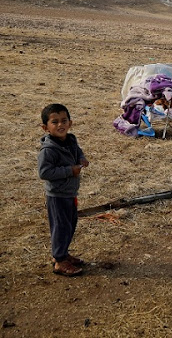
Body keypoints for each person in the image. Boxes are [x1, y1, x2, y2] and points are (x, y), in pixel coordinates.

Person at [38, 103, 89, 277]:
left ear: (70, 122)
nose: (60, 125)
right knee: (60, 227)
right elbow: (44, 172)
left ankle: (63, 253)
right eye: (55, 122)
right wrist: (69, 171)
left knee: (70, 224)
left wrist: (81, 158)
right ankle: (59, 261)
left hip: (70, 192)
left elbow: (77, 151)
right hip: (57, 196)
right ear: (46, 127)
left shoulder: (71, 140)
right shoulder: (48, 150)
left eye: (64, 120)